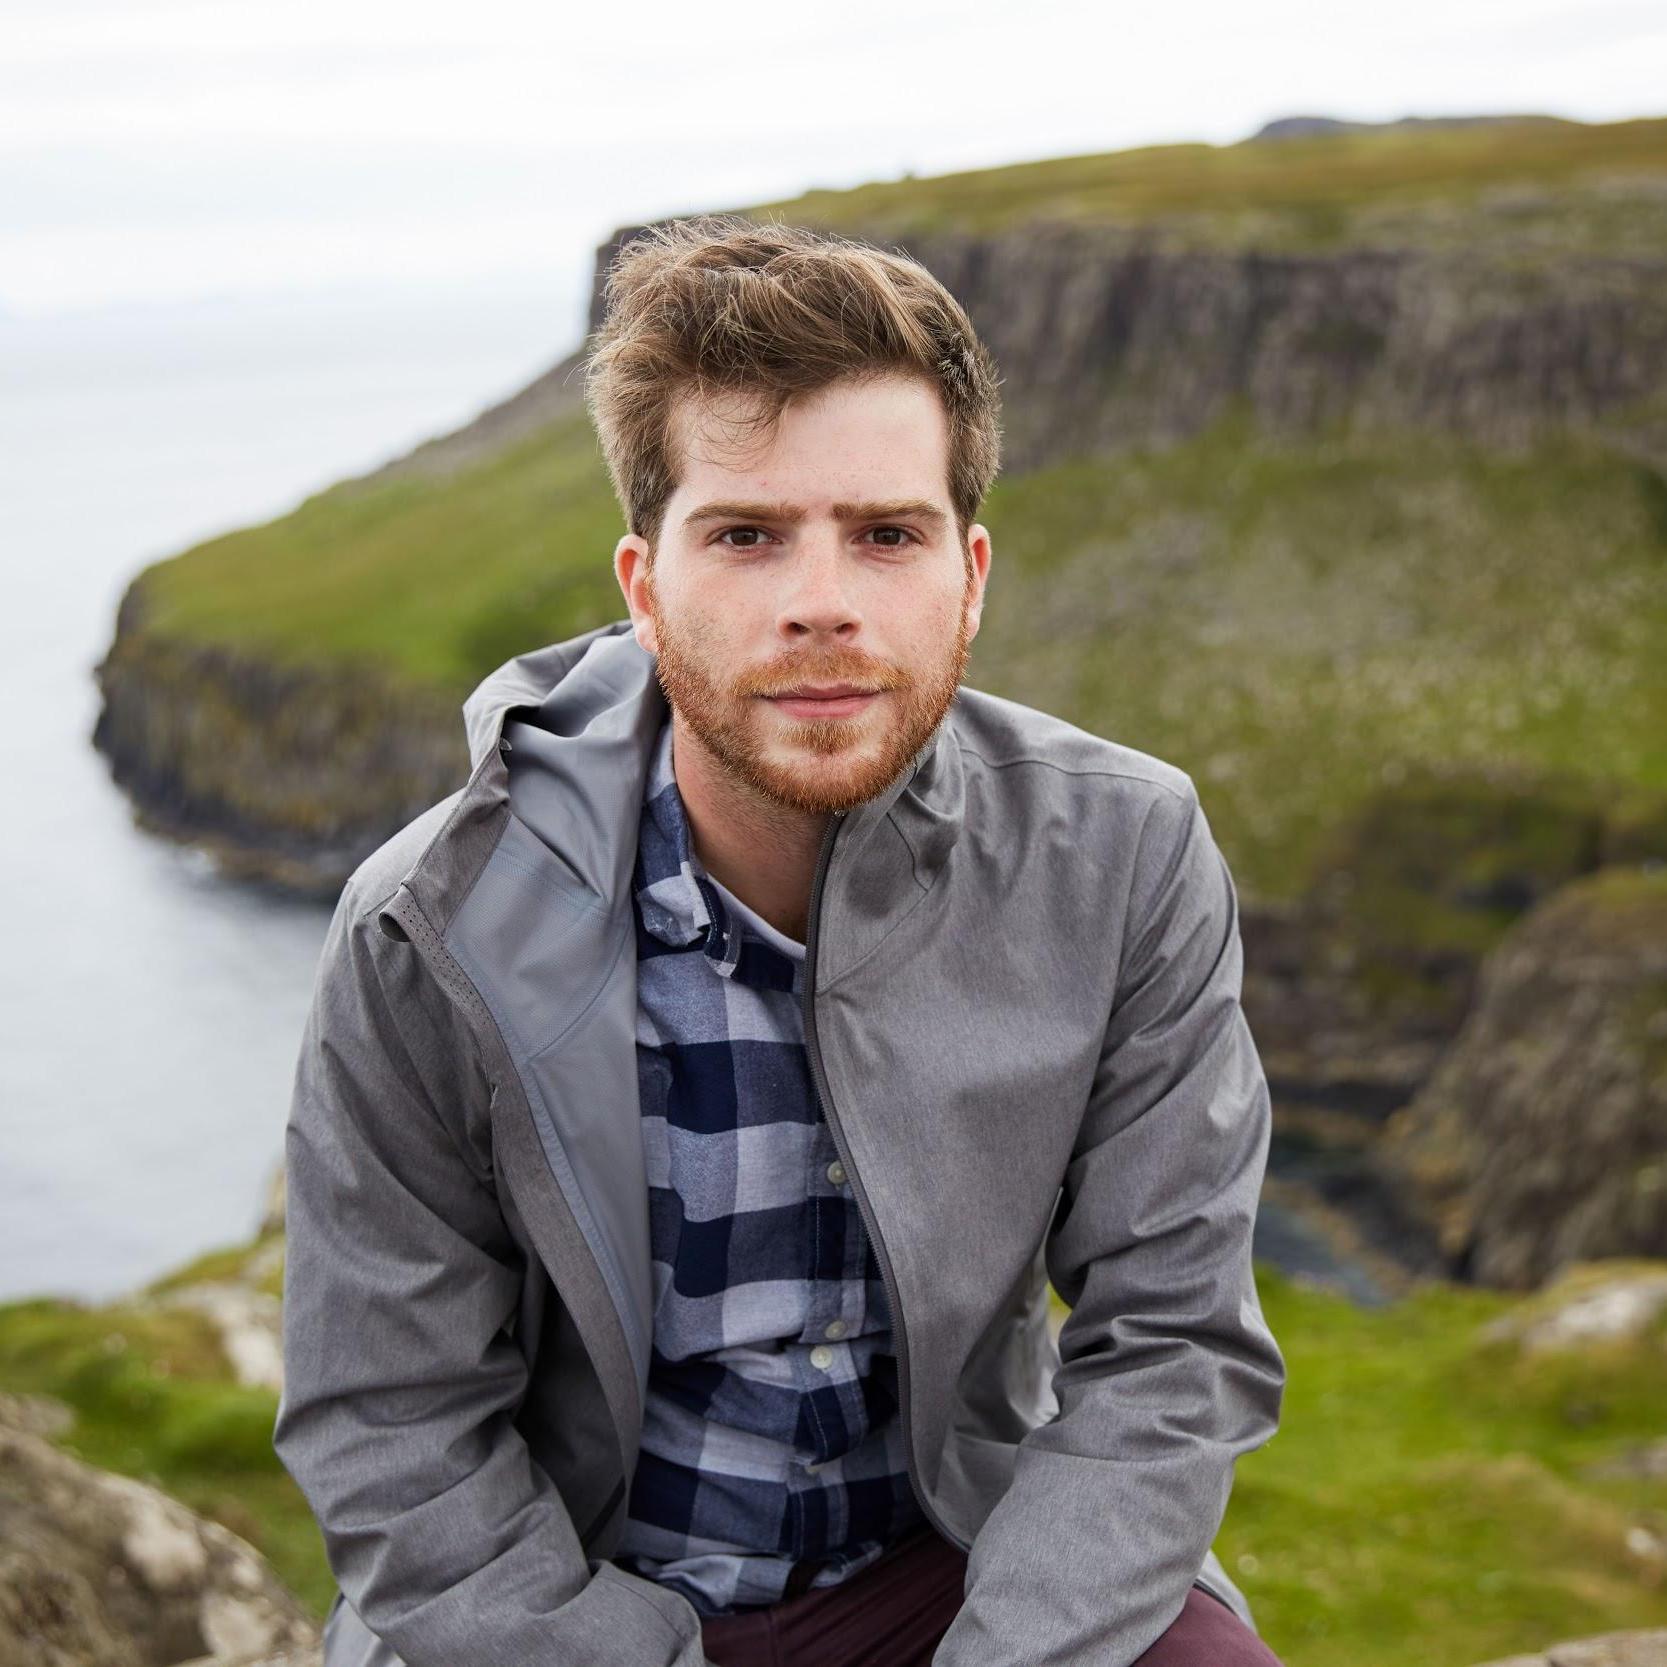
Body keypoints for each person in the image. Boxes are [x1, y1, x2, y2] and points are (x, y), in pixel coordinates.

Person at [273, 215, 1287, 1667]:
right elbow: (388, 1421)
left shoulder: (1125, 857)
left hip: (950, 1574)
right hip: (571, 1608)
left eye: (887, 535)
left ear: (972, 575)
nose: (823, 605)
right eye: (747, 536)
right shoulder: (428, 924)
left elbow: (1172, 1346)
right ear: (644, 588)